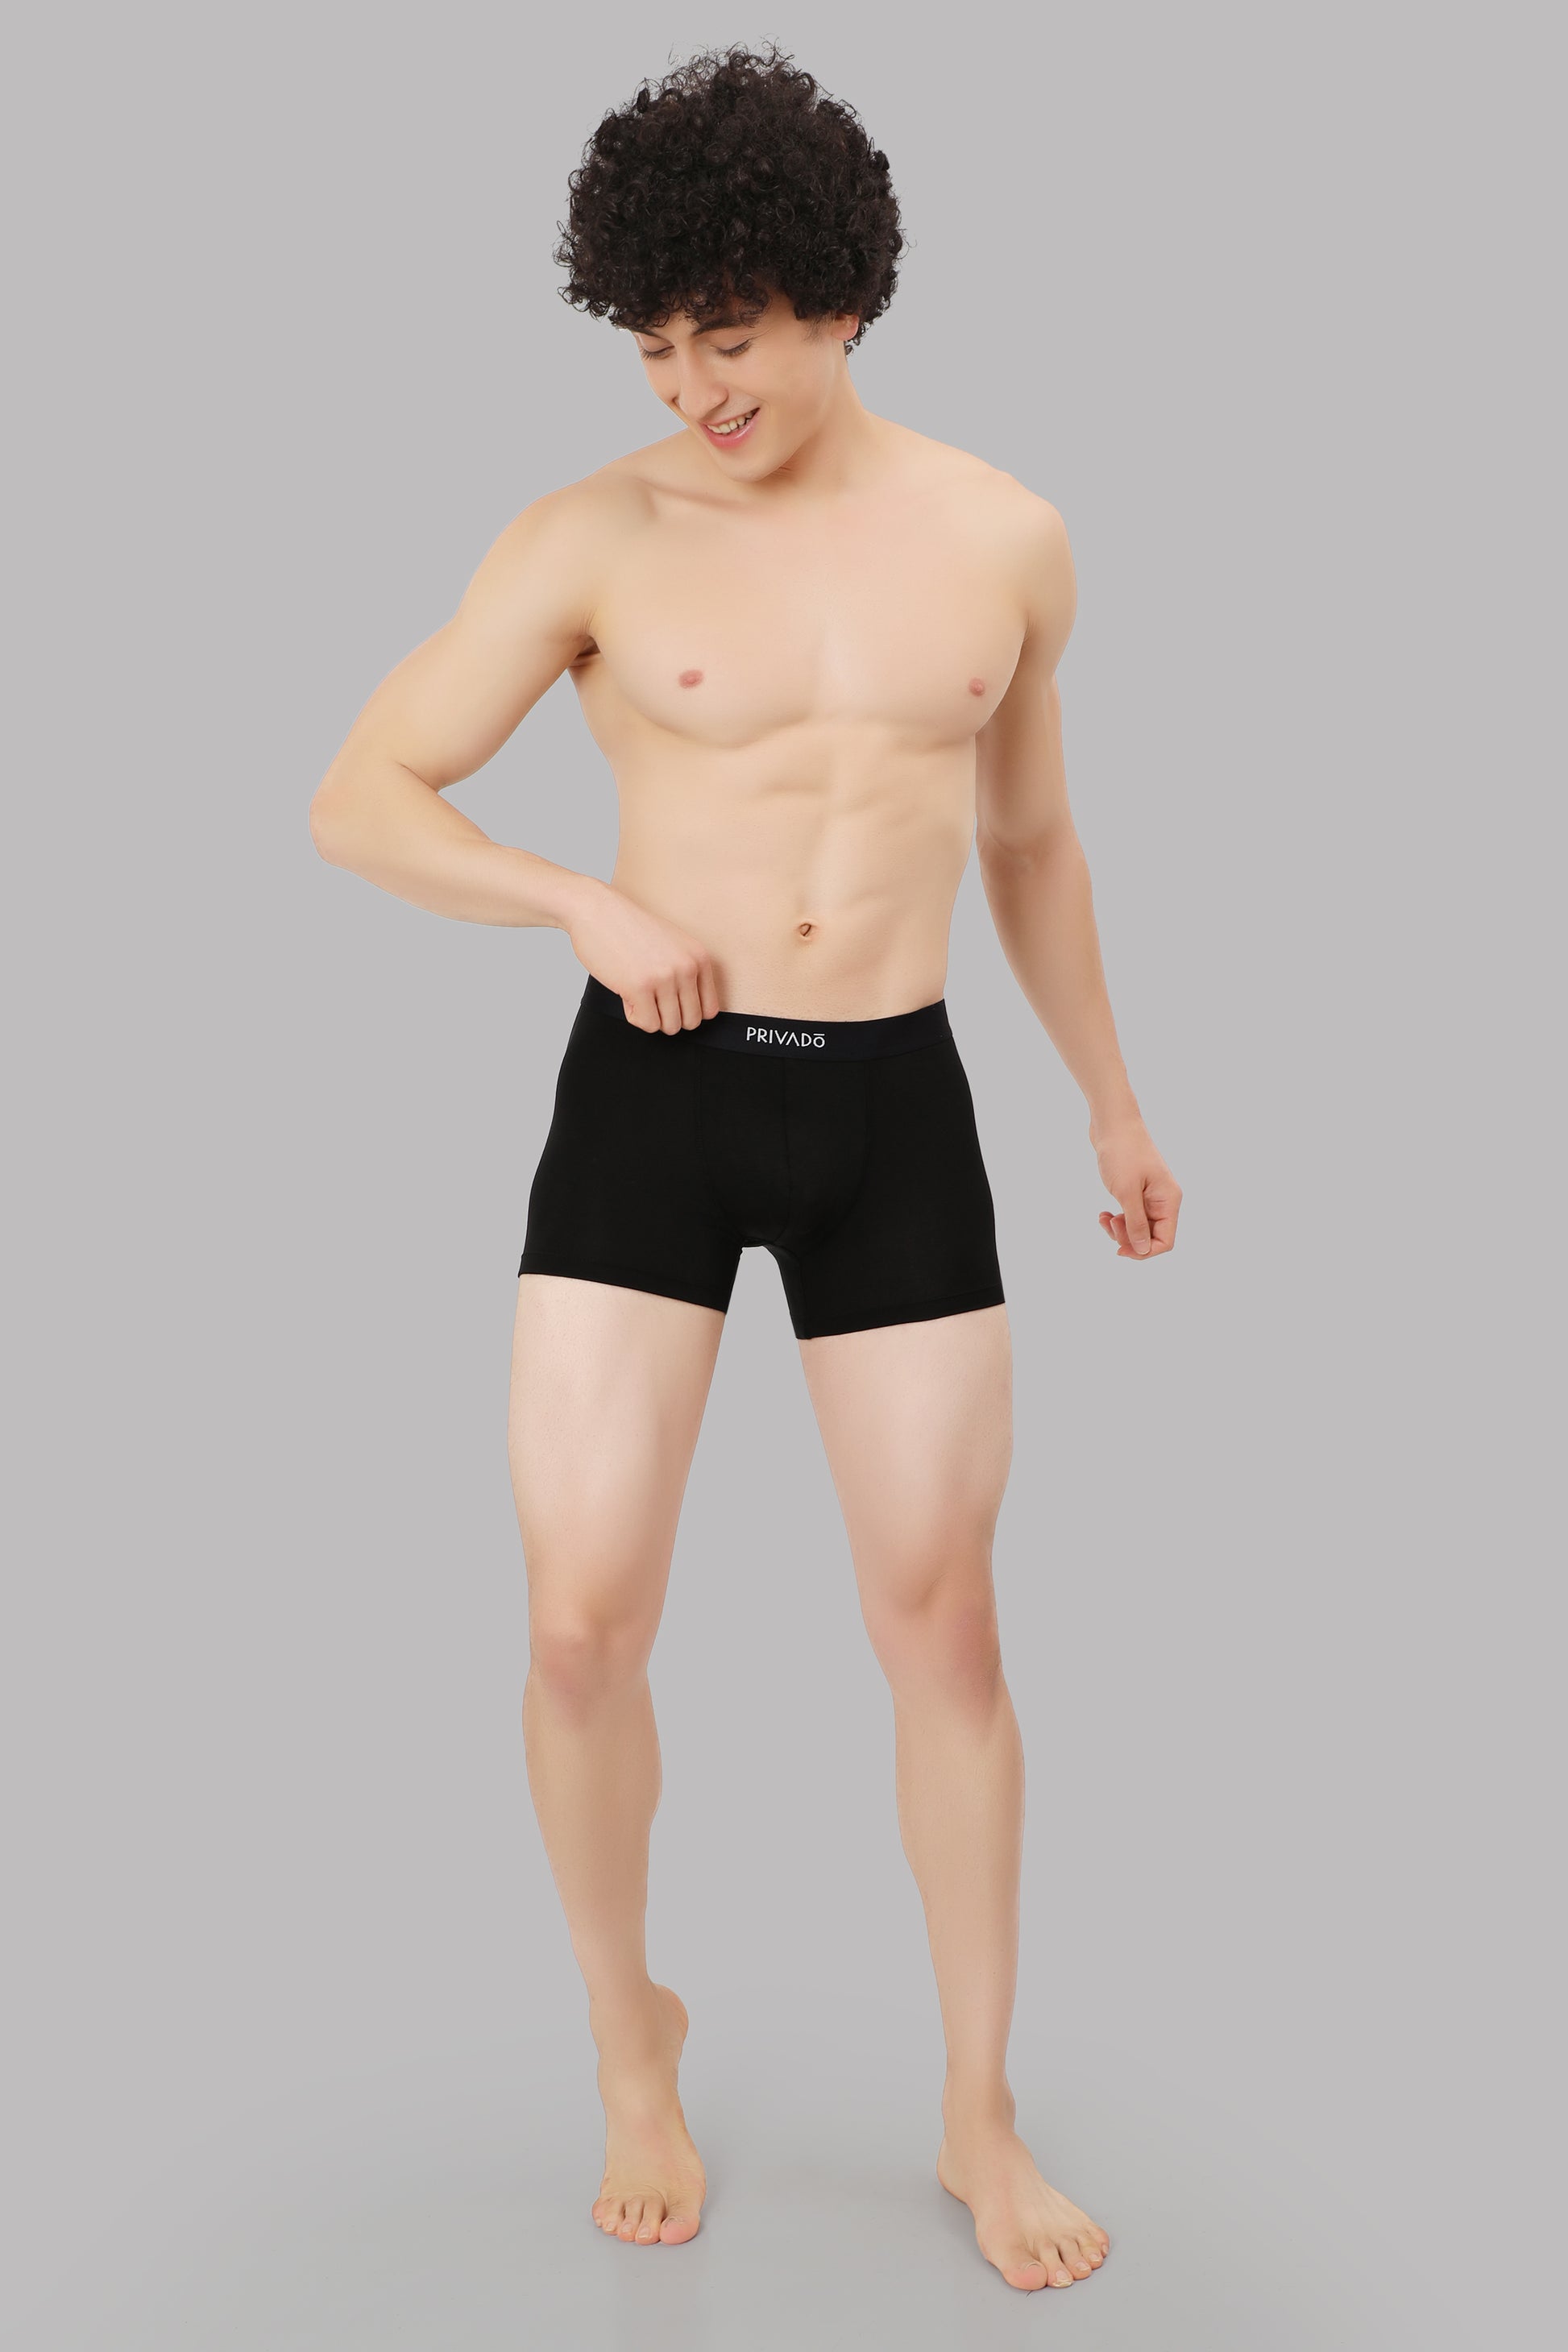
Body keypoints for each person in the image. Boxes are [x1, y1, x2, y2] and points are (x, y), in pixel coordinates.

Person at [309, 40, 1180, 2296]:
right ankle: (634, 2047)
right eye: (655, 347)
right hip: (654, 1101)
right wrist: (577, 906)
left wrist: (1107, 1096)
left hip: (895, 1107)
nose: (694, 390)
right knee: (578, 1619)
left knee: (944, 1620)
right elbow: (362, 794)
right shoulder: (591, 536)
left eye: (734, 338)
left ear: (841, 300)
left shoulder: (1001, 536)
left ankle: (977, 2114)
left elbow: (1031, 841)